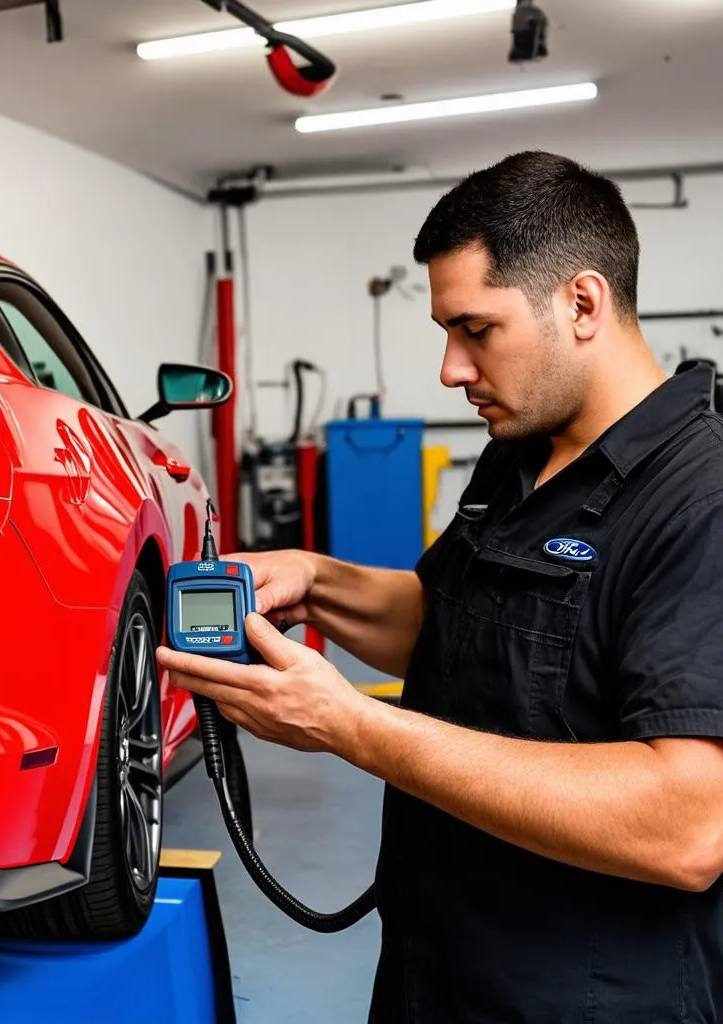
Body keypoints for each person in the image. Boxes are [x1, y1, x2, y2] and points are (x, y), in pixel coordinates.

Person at [156, 151, 723, 1023]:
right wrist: (315, 578)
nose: (451, 370)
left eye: (477, 329)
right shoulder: (519, 455)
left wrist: (354, 726)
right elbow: (452, 624)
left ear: (582, 303)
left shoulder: (699, 498)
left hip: (583, 999)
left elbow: (689, 825)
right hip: (437, 969)